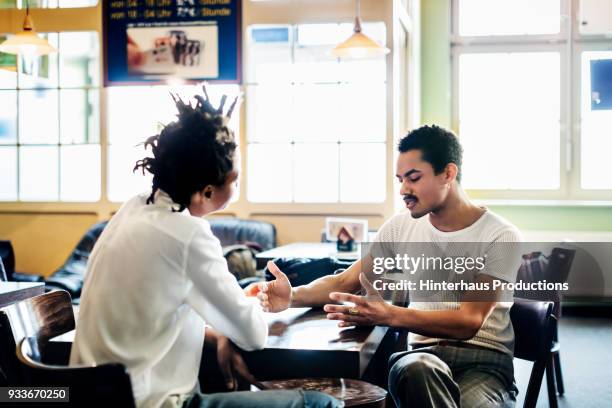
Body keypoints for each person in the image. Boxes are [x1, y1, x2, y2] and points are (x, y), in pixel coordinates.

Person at [70, 87, 340, 408]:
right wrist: (256, 301)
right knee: (319, 404)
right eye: (235, 180)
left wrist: (224, 325)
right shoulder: (187, 234)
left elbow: (165, 304)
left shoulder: (135, 207)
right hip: (150, 402)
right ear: (206, 192)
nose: (238, 186)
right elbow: (254, 335)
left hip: (87, 395)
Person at [254, 125, 522, 407]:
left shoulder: (501, 235)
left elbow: (468, 321)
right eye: (400, 179)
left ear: (448, 173)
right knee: (419, 367)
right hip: (421, 359)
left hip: (484, 364)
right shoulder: (399, 227)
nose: (404, 189)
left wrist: (388, 314)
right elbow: (346, 282)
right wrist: (293, 295)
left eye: (414, 178)